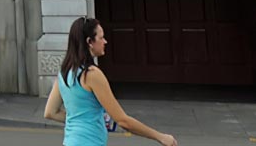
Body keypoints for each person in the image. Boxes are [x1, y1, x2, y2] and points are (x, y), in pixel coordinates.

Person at [45, 16, 178, 146]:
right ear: (89, 42)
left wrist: (82, 121)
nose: (105, 41)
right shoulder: (91, 74)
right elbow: (123, 121)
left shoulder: (65, 71)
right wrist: (160, 137)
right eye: (101, 37)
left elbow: (50, 112)